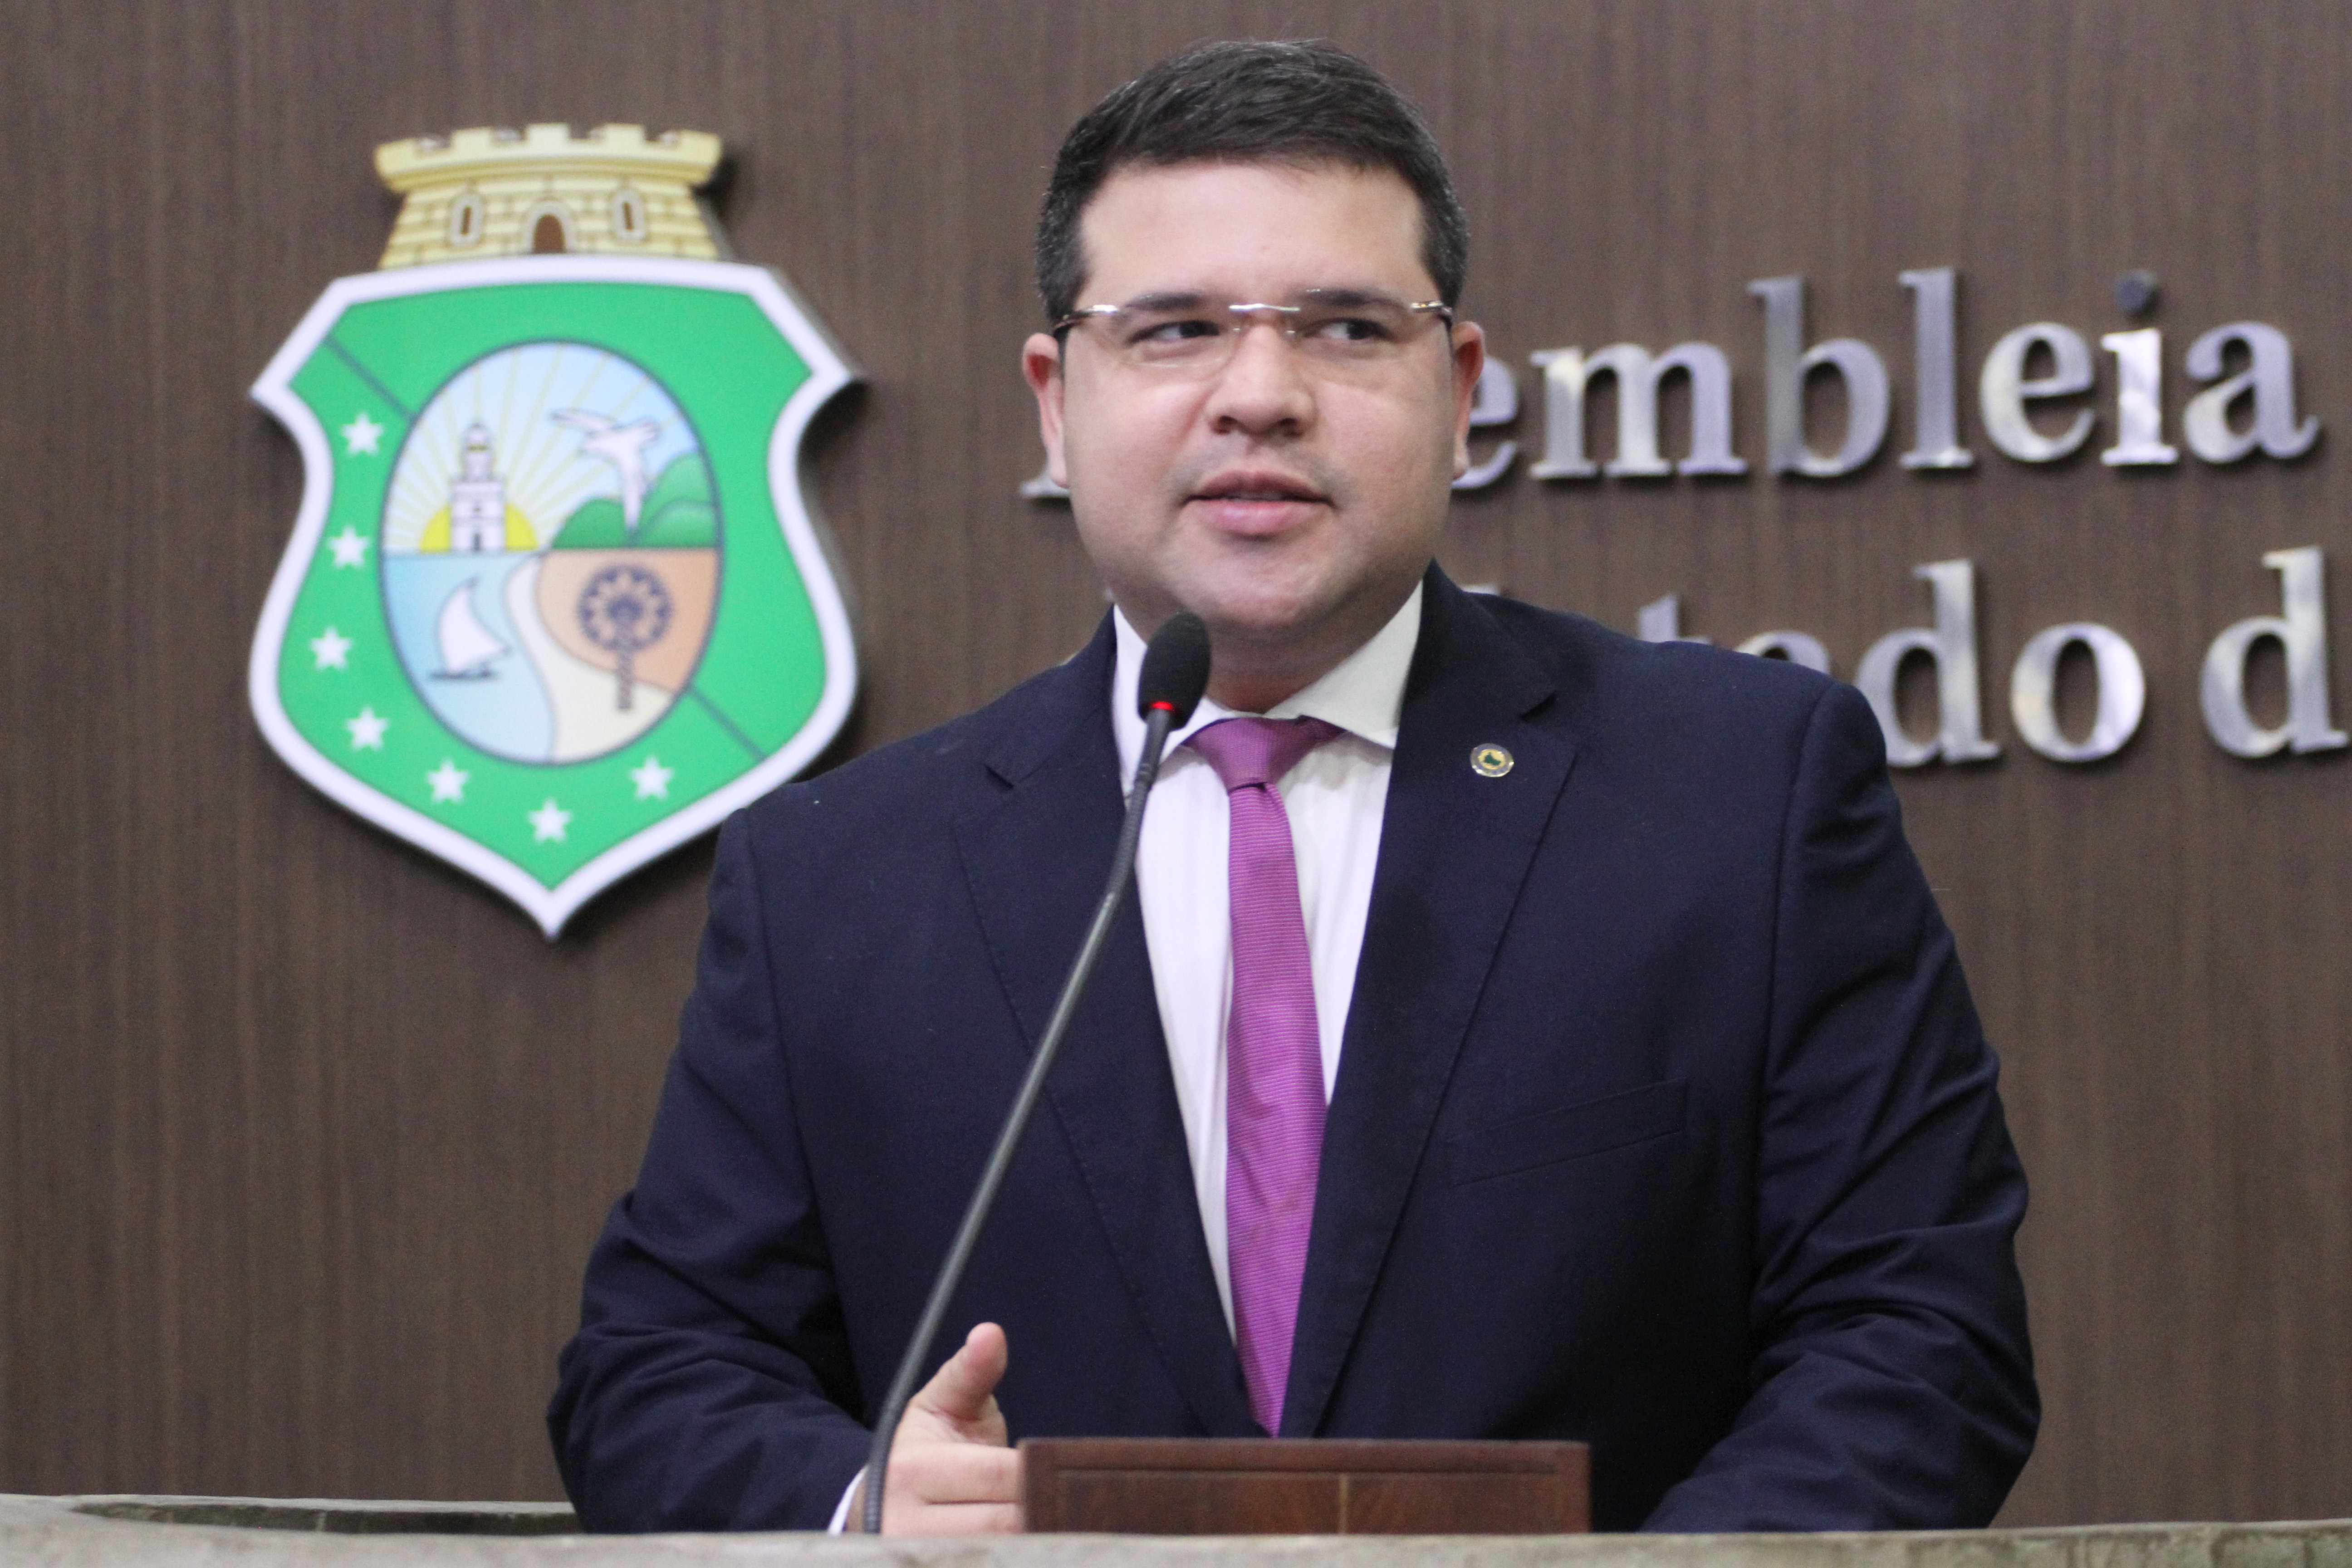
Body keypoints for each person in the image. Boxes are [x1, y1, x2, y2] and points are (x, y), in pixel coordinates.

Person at [548, 39, 2037, 1535]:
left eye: (1345, 329)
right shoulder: (838, 877)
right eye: (1176, 330)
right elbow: (659, 1372)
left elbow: (1917, 1331)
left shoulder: (1741, 795)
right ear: (1056, 402)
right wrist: (866, 1504)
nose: (1260, 396)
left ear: (1459, 388)